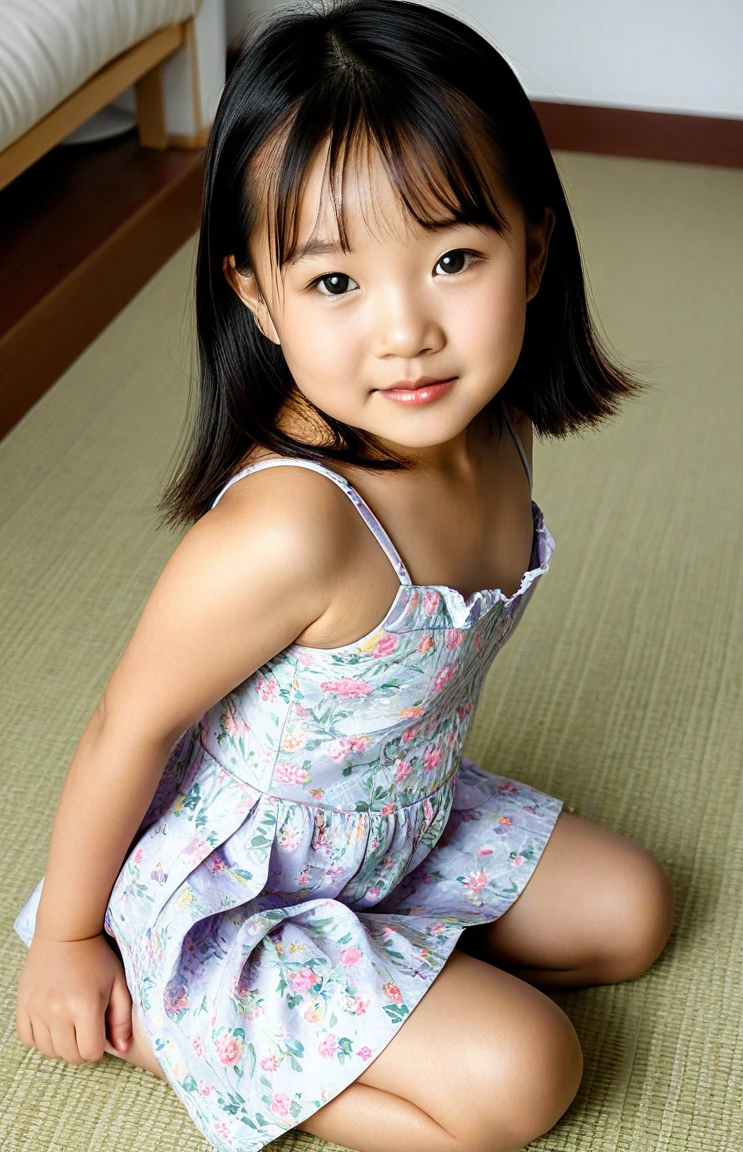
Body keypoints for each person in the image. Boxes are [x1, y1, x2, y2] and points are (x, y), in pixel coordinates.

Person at [13, 1, 675, 1150]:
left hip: (394, 823)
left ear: (535, 250)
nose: (407, 330)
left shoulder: (495, 426)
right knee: (528, 1075)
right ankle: (200, 1029)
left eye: (454, 259)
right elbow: (127, 727)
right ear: (256, 295)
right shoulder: (291, 530)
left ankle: (384, 978)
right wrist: (70, 943)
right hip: (242, 895)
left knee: (634, 913)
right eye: (335, 284)